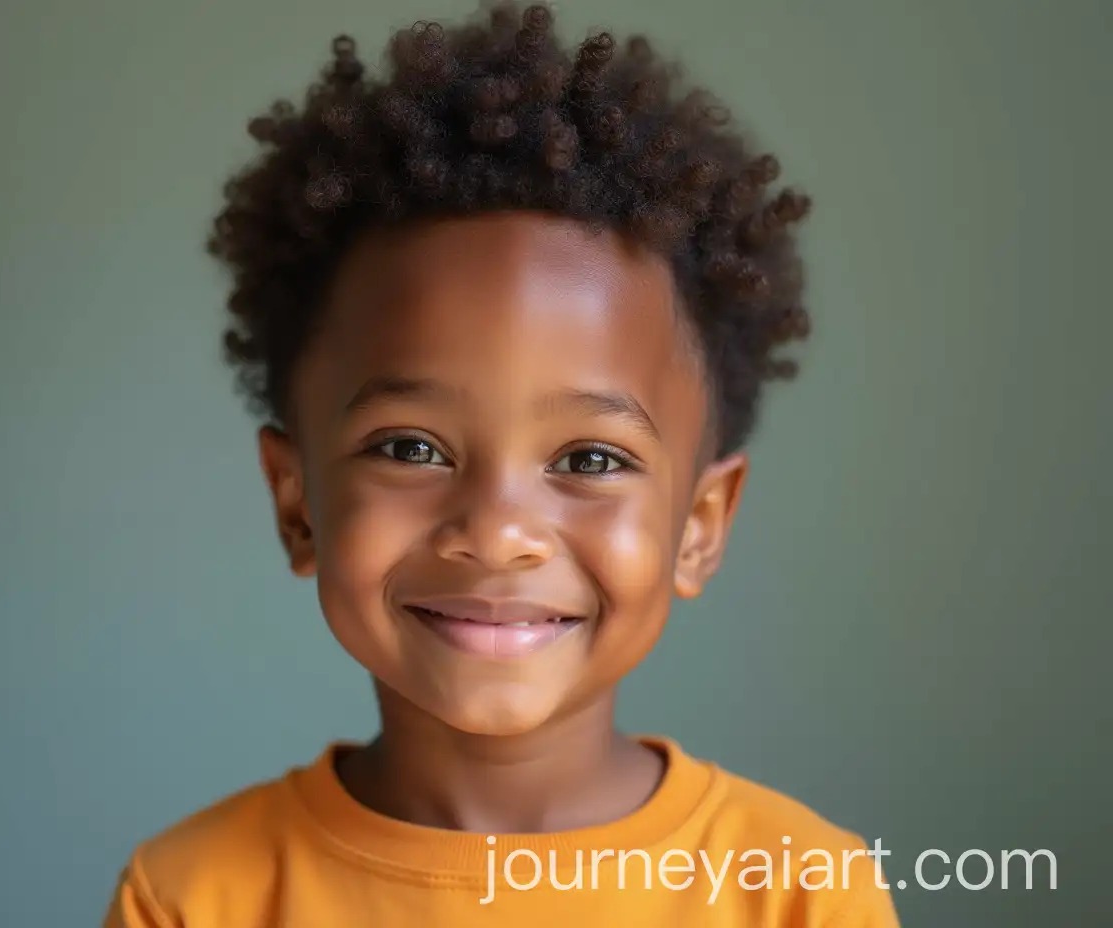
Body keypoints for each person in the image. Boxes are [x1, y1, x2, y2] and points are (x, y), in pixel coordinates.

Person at [104, 3, 899, 924]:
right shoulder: (194, 898)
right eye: (411, 448)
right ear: (298, 504)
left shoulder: (803, 892)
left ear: (700, 527)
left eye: (591, 458)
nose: (495, 532)